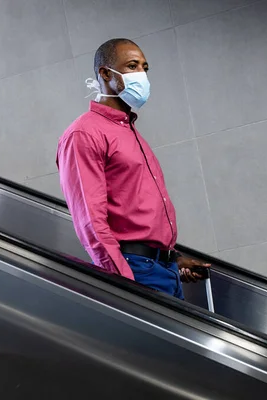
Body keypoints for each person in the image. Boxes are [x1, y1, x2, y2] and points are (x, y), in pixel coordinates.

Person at [57, 38, 209, 300]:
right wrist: (126, 288)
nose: (142, 74)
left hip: (164, 270)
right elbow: (91, 223)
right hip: (136, 273)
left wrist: (172, 259)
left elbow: (135, 213)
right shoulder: (84, 133)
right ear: (105, 73)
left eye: (144, 67)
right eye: (132, 66)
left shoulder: (129, 131)